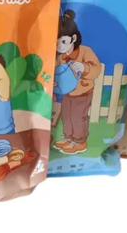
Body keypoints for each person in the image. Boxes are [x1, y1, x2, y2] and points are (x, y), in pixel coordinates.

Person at [53, 10, 101, 155]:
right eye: (56, 42)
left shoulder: (85, 51)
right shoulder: (60, 57)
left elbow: (96, 68)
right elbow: (56, 73)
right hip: (66, 92)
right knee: (66, 116)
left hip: (82, 92)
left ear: (73, 38)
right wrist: (55, 83)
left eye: (63, 42)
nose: (60, 46)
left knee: (78, 117)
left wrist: (84, 67)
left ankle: (80, 141)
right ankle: (68, 137)